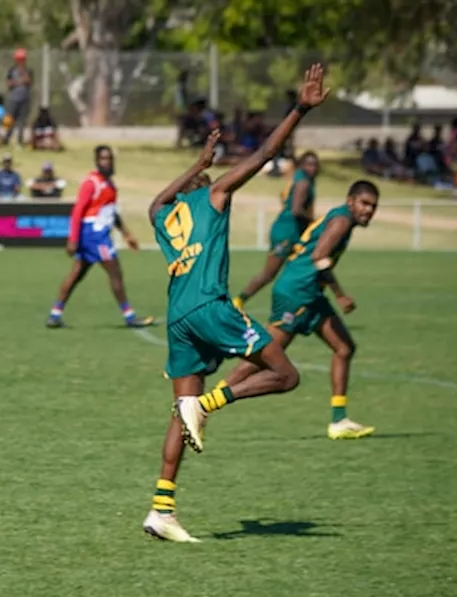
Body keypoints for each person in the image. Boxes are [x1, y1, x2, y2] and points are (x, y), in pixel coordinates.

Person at [142, 64, 329, 543]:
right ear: (203, 184)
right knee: (285, 375)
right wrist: (300, 109)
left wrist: (193, 166)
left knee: (178, 410)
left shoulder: (165, 218)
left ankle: (162, 509)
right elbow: (267, 152)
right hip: (209, 306)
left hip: (177, 319)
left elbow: (154, 201)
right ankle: (208, 403)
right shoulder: (216, 194)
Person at [217, 181, 380, 440]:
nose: (369, 210)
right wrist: (340, 295)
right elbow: (319, 257)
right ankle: (208, 402)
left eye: (373, 206)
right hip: (297, 292)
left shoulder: (341, 217)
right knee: (266, 355)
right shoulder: (342, 221)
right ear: (351, 201)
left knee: (344, 348)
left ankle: (339, 420)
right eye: (365, 203)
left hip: (310, 292)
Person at [45, 145, 154, 329]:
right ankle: (129, 316)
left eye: (109, 158)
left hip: (99, 234)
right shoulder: (91, 182)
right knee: (115, 271)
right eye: (103, 159)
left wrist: (126, 233)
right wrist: (72, 238)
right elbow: (78, 210)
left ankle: (55, 314)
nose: (107, 162)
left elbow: (111, 212)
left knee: (77, 273)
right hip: (94, 235)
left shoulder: (109, 183)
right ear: (97, 161)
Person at [233, 151, 319, 309]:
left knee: (303, 267)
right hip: (288, 232)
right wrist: (314, 222)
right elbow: (296, 210)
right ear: (301, 165)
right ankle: (239, 300)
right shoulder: (303, 182)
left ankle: (303, 304)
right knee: (269, 273)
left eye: (315, 164)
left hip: (290, 229)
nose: (312, 168)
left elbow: (283, 197)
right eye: (309, 164)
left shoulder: (298, 177)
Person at [2, 49, 33, 147]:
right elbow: (8, 82)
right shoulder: (11, 70)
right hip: (13, 99)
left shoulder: (28, 71)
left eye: (22, 59)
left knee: (22, 121)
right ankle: (6, 139)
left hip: (25, 98)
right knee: (9, 120)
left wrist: (22, 81)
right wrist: (19, 81)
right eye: (19, 59)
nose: (21, 61)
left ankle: (20, 140)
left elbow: (30, 81)